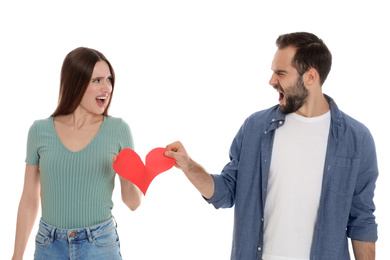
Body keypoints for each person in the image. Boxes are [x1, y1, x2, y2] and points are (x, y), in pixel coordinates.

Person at [165, 32, 378, 260]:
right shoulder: (255, 128)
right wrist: (188, 166)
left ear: (310, 76)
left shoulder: (356, 138)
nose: (272, 81)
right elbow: (226, 192)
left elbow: (362, 220)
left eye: (281, 73)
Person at [12, 47, 142, 260]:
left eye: (109, 79)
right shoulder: (39, 131)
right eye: (97, 80)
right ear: (76, 82)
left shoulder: (119, 130)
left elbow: (133, 203)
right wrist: (16, 256)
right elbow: (29, 199)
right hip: (49, 245)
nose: (106, 87)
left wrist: (126, 176)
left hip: (100, 245)